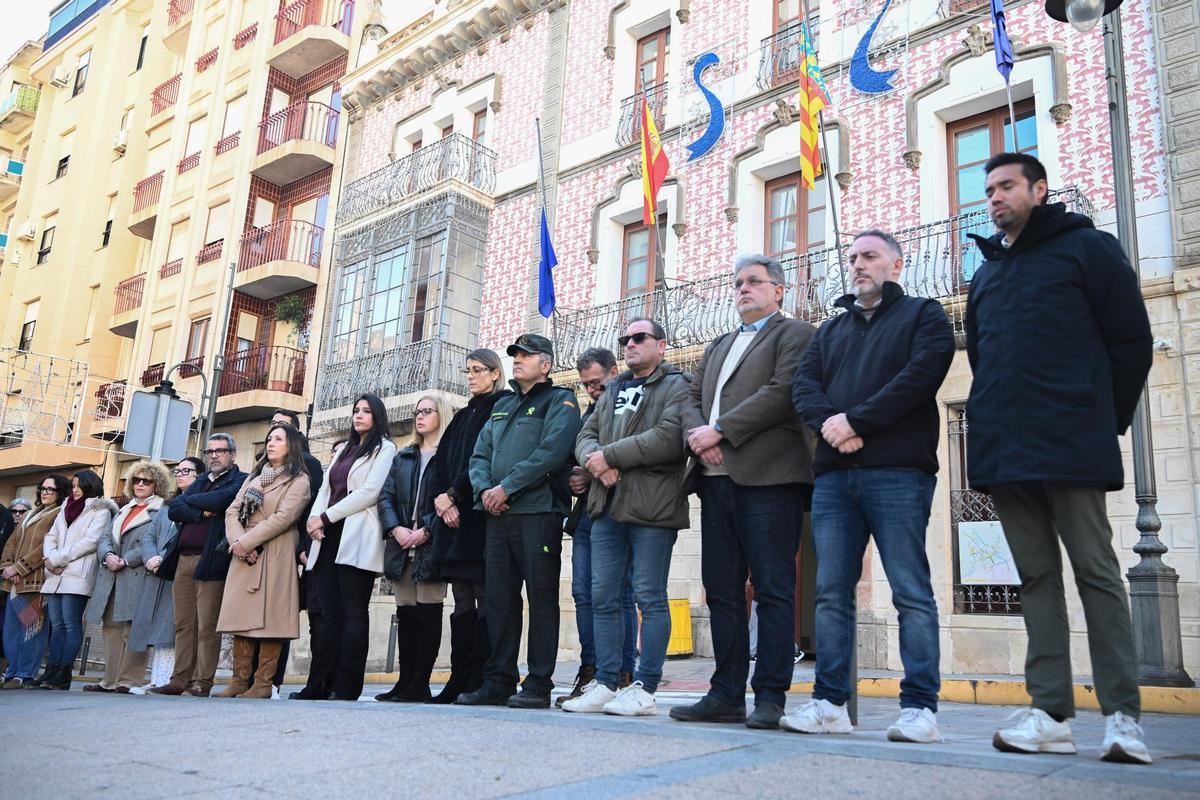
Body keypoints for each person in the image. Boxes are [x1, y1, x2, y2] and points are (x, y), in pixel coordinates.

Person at [964, 153, 1154, 764]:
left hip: (1073, 441)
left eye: (1007, 186)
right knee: (1036, 579)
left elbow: (1132, 342)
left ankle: (1124, 717)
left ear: (1039, 190)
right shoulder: (986, 274)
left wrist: (1105, 420)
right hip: (1005, 450)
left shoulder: (1089, 249)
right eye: (988, 188)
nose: (994, 197)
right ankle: (1050, 712)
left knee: (1097, 574)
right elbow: (984, 362)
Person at [788, 229, 955, 742]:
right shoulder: (831, 330)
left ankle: (920, 709)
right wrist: (833, 425)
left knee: (910, 590)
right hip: (836, 478)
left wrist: (857, 421)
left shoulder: (923, 315)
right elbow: (803, 386)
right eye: (853, 257)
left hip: (899, 473)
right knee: (831, 592)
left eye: (870, 256)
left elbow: (920, 376)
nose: (858, 264)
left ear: (896, 265)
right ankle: (830, 703)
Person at [671, 254, 816, 730]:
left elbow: (782, 391)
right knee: (722, 591)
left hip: (769, 477)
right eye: (737, 284)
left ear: (779, 290)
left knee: (774, 589)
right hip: (714, 483)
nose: (742, 290)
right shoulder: (718, 344)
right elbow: (690, 398)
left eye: (754, 282)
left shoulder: (795, 334)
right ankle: (725, 693)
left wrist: (722, 431)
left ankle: (771, 695)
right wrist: (699, 435)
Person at [566, 318, 690, 716]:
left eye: (639, 338)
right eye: (625, 339)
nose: (630, 344)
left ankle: (646, 685)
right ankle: (605, 681)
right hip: (607, 505)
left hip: (653, 505)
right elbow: (587, 435)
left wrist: (610, 456)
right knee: (602, 596)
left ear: (661, 344)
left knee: (649, 597)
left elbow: (671, 436)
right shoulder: (614, 388)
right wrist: (595, 462)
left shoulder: (677, 385)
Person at [457, 333, 582, 709]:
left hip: (537, 514)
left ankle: (539, 683)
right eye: (515, 355)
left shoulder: (560, 401)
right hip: (498, 516)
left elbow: (551, 452)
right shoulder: (504, 404)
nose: (518, 360)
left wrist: (506, 487)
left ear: (545, 364)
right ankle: (499, 681)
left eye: (526, 355)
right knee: (498, 601)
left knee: (541, 599)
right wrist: (484, 493)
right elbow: (479, 456)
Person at [295, 393, 396, 701]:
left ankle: (347, 686)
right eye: (356, 410)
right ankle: (318, 685)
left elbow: (370, 492)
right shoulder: (344, 450)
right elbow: (326, 489)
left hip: (355, 534)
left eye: (366, 411)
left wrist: (325, 516)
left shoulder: (386, 448)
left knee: (353, 612)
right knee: (327, 614)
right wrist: (314, 520)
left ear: (378, 417)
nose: (359, 415)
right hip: (325, 535)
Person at [426, 349, 511, 704]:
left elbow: (484, 456)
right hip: (452, 519)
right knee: (460, 598)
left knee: (482, 596)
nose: (471, 376)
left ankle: (481, 676)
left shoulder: (502, 405)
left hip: (478, 514)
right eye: (468, 371)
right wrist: (440, 500)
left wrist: (454, 495)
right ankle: (458, 676)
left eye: (478, 370)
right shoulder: (462, 415)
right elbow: (442, 461)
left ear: (495, 373)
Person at [556, 347, 639, 708]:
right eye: (586, 384)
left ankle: (622, 671)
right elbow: (575, 453)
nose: (591, 389)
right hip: (588, 513)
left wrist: (593, 470)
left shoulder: (631, 402)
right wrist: (575, 477)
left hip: (622, 508)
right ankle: (591, 670)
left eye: (597, 382)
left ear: (613, 371)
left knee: (621, 595)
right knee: (583, 594)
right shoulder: (590, 411)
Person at [216, 424, 312, 698]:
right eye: (269, 439)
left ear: (291, 445)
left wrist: (246, 543)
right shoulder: (255, 477)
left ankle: (262, 684)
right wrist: (239, 543)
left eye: (278, 439)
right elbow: (232, 510)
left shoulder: (299, 480)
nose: (271, 443)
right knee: (241, 617)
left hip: (275, 553)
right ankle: (238, 680)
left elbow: (283, 518)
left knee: (273, 619)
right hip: (245, 554)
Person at [154, 434, 246, 697]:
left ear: (233, 455)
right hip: (183, 559)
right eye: (210, 451)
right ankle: (179, 679)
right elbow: (174, 508)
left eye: (220, 451)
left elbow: (222, 500)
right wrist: (203, 512)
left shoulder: (240, 480)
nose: (214, 456)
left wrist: (195, 504)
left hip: (211, 560)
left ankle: (202, 682)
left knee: (207, 625)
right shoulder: (202, 480)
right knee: (183, 623)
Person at [376, 394, 453, 702]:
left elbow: (452, 499)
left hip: (430, 545)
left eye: (427, 411)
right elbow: (385, 497)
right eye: (417, 412)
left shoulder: (448, 455)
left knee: (428, 613)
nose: (420, 417)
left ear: (441, 415)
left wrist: (424, 531)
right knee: (405, 615)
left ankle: (420, 682)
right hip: (400, 545)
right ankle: (404, 682)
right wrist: (396, 529)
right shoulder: (404, 456)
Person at [83, 461, 175, 694]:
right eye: (136, 480)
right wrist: (108, 556)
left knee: (133, 629)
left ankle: (129, 680)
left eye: (147, 481)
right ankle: (109, 680)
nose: (140, 484)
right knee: (111, 629)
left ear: (158, 484)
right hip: (112, 575)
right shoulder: (123, 509)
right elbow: (104, 538)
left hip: (137, 574)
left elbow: (153, 541)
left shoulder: (161, 510)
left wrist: (127, 560)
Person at [251, 410, 324, 697]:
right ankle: (248, 679)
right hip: (252, 550)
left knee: (277, 615)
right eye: (272, 426)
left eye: (281, 428)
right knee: (252, 614)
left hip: (286, 548)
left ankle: (271, 682)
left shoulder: (308, 466)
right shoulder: (260, 468)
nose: (273, 434)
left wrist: (303, 547)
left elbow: (309, 508)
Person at [42, 470, 119, 690]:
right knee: (56, 625)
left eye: (78, 486)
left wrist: (57, 558)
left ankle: (64, 672)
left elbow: (91, 541)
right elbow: (51, 536)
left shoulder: (100, 509)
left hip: (78, 573)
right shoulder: (65, 506)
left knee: (71, 623)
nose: (74, 489)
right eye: (73, 485)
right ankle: (51, 670)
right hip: (56, 572)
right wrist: (50, 559)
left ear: (89, 486)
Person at [132, 457, 201, 691]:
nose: (180, 474)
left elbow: (182, 537)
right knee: (157, 626)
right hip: (157, 571)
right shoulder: (167, 505)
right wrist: (150, 556)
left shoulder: (198, 503)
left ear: (199, 475)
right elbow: (150, 535)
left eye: (186, 471)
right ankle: (158, 678)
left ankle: (172, 679)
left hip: (176, 569)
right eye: (177, 470)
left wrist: (163, 557)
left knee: (172, 626)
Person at [1, 480, 66, 688]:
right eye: (43, 489)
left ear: (60, 492)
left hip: (35, 583)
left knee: (32, 630)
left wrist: (18, 568)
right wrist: (7, 567)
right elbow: (11, 541)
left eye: (51, 489)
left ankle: (24, 674)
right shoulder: (31, 513)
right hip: (13, 582)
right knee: (11, 631)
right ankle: (11, 672)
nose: (45, 492)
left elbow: (42, 548)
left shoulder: (58, 514)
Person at [0, 497, 31, 675]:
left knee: (24, 628)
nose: (17, 515)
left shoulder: (29, 530)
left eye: (22, 511)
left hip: (27, 585)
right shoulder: (6, 529)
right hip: (6, 584)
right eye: (14, 511)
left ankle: (16, 669)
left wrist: (17, 569)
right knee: (5, 628)